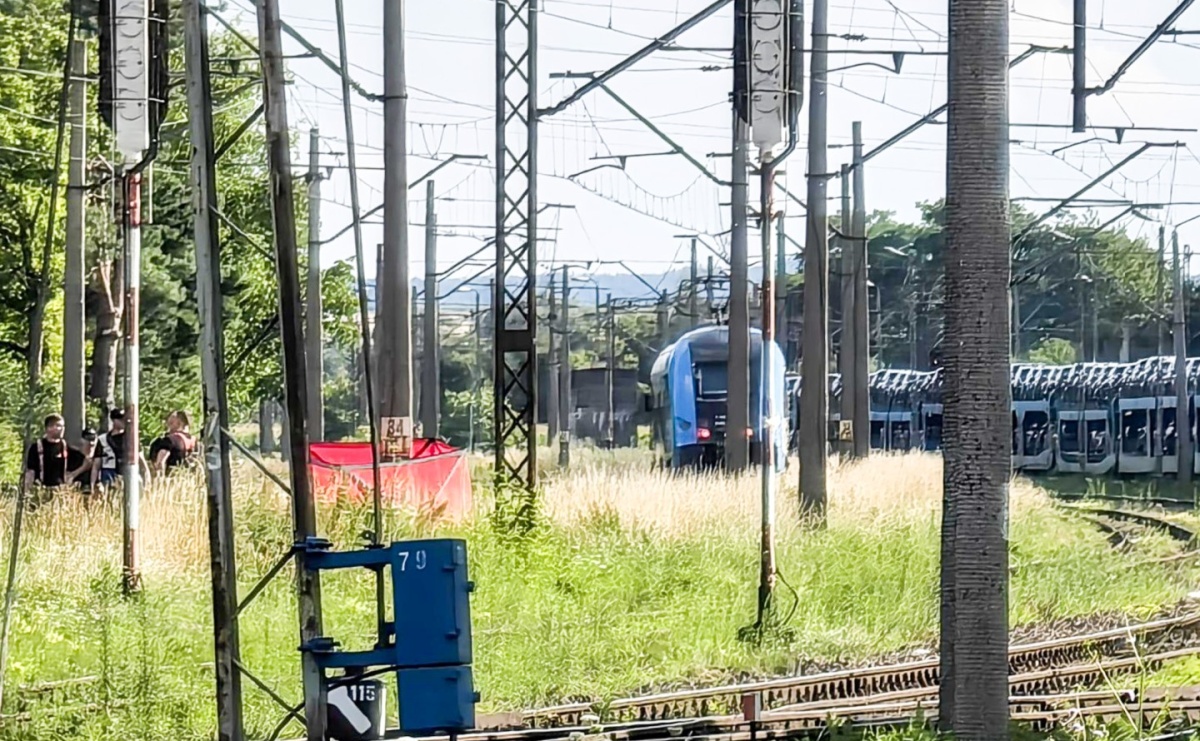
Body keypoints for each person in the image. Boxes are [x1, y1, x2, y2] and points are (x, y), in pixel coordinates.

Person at [23, 414, 87, 492]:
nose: (62, 429)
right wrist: (27, 491)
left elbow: (87, 462)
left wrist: (73, 475)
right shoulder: (36, 448)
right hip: (41, 490)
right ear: (49, 428)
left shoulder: (67, 448)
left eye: (62, 426)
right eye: (59, 426)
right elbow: (30, 472)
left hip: (61, 491)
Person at [150, 410, 197, 475]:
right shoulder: (195, 441)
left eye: (171, 422)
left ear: (179, 422)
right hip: (190, 481)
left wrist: (160, 480)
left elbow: (160, 463)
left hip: (170, 480)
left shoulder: (170, 440)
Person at [92, 410, 127, 491]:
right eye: (120, 419)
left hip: (126, 471)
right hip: (109, 472)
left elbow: (139, 456)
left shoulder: (130, 438)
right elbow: (97, 462)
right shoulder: (103, 439)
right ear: (114, 420)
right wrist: (93, 483)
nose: (123, 422)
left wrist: (146, 472)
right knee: (110, 498)